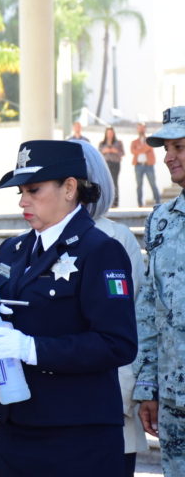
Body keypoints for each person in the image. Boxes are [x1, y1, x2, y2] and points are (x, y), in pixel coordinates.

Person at [0, 140, 137, 476]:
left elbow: (117, 343)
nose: (23, 201)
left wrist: (31, 348)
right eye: (20, 191)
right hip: (16, 425)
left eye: (34, 190)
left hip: (77, 433)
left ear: (69, 188)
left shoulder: (100, 250)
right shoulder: (14, 249)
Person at [70, 139, 148, 476]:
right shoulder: (29, 244)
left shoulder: (116, 239)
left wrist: (136, 391)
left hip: (111, 399)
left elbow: (139, 317)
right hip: (50, 409)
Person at [133, 106, 185, 477]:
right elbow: (150, 306)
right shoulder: (161, 219)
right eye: (166, 148)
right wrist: (148, 385)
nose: (168, 157)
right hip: (172, 399)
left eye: (179, 147)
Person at [130, 122, 161, 207]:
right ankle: (140, 204)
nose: (141, 129)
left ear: (145, 129)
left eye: (142, 128)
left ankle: (158, 202)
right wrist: (143, 149)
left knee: (153, 184)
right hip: (138, 166)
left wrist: (139, 149)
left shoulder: (149, 140)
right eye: (139, 128)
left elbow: (148, 147)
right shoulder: (134, 142)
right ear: (137, 129)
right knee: (139, 185)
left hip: (149, 165)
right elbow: (133, 151)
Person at [98, 126, 124, 208]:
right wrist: (109, 150)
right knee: (105, 183)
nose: (110, 134)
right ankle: (106, 202)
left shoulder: (118, 143)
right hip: (105, 165)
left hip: (115, 164)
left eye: (111, 133)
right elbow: (100, 152)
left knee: (114, 182)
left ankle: (115, 203)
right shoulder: (102, 143)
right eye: (108, 133)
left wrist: (113, 150)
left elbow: (122, 153)